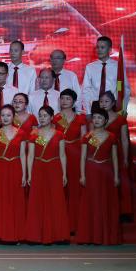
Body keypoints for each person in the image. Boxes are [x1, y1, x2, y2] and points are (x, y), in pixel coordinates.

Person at [23, 106, 70, 244]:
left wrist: (64, 174)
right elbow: (30, 156)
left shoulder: (59, 134)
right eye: (40, 115)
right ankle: (35, 236)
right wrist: (29, 174)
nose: (42, 118)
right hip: (38, 168)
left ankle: (59, 235)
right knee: (37, 201)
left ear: (51, 117)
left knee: (56, 200)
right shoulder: (34, 134)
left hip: (54, 168)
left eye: (45, 115)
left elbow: (62, 155)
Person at [0, 105, 27, 245]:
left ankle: (14, 235)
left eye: (8, 115)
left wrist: (24, 174)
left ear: (13, 117)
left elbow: (23, 155)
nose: (5, 118)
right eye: (3, 115)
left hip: (15, 168)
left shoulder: (21, 133)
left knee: (14, 201)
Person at [76, 108, 121, 245]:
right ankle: (89, 236)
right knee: (91, 202)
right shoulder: (87, 137)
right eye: (94, 117)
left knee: (105, 202)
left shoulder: (111, 137)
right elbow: (83, 157)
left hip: (106, 172)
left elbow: (114, 158)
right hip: (91, 171)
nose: (96, 120)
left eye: (100, 118)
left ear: (105, 120)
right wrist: (82, 175)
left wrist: (116, 176)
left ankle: (105, 236)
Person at [55, 89, 87, 234]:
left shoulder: (80, 119)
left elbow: (84, 139)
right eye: (62, 98)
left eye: (68, 99)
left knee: (75, 189)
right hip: (58, 155)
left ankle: (75, 224)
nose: (64, 101)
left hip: (76, 155)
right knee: (60, 189)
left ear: (74, 102)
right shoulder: (55, 118)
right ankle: (60, 225)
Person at [98, 90, 133, 220]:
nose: (103, 104)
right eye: (101, 101)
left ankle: (124, 211)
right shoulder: (96, 118)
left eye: (106, 101)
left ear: (113, 103)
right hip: (101, 153)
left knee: (120, 180)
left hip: (117, 152)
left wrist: (125, 157)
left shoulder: (121, 119)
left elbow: (124, 139)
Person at [82, 35, 130, 111]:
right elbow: (85, 89)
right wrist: (88, 110)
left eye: (102, 47)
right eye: (97, 47)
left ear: (110, 50)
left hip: (113, 105)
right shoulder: (90, 67)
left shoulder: (118, 66)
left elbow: (124, 87)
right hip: (96, 105)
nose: (99, 50)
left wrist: (123, 108)